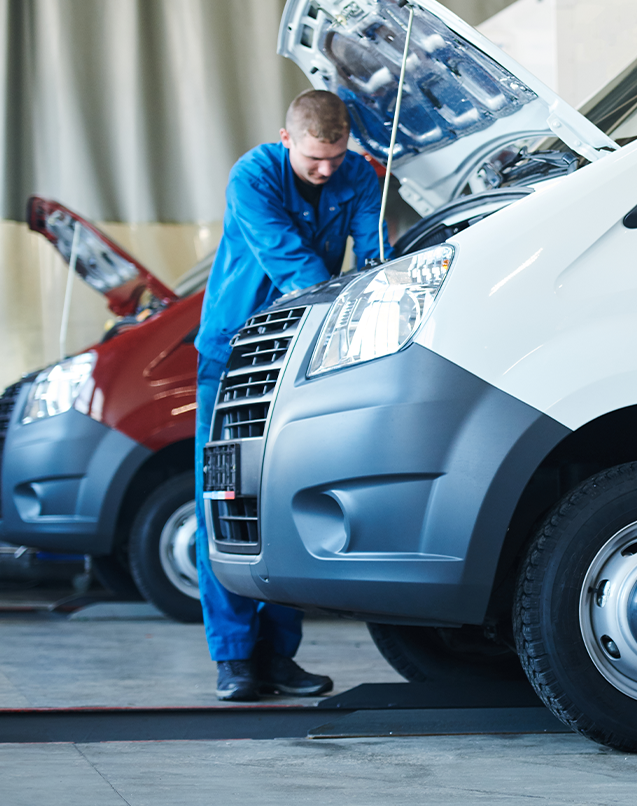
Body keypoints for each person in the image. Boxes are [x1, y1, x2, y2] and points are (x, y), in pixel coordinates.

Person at [194, 89, 387, 701]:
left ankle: (278, 658)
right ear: (287, 140)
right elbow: (291, 262)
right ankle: (234, 661)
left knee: (285, 501)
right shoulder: (252, 176)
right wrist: (347, 303)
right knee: (226, 502)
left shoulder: (360, 174)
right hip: (232, 360)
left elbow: (376, 254)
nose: (326, 170)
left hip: (300, 361)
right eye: (313, 160)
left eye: (334, 157)